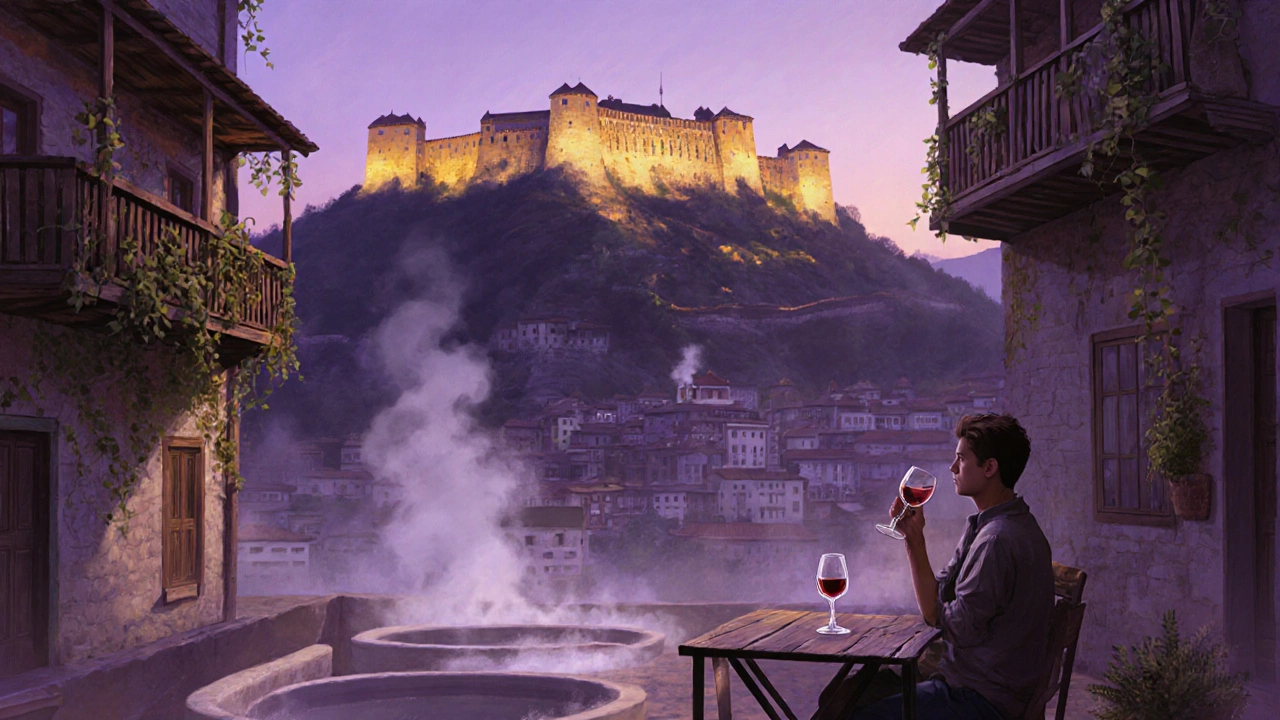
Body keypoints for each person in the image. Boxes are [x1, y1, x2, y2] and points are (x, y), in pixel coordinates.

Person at [852, 413, 1054, 720]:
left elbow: (946, 621)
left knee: (858, 711)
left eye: (961, 459)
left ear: (989, 467)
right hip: (982, 687)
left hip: (980, 699)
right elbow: (938, 601)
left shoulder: (997, 540)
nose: (952, 468)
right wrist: (914, 541)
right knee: (848, 695)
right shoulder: (990, 525)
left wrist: (916, 549)